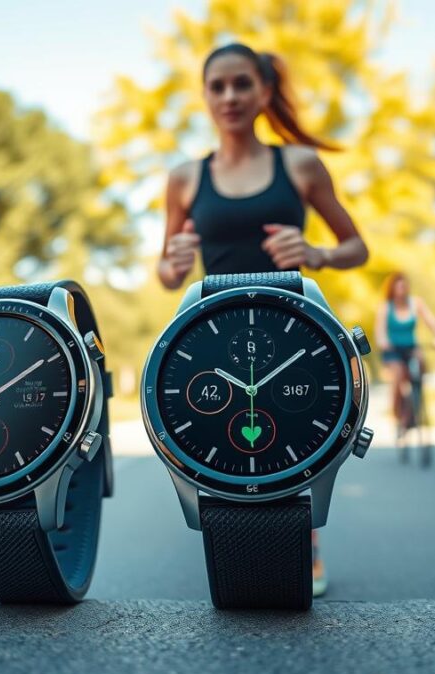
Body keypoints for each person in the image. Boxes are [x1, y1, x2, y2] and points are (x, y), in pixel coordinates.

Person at [158, 43, 369, 596]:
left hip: (294, 327)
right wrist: (172, 262)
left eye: (241, 84)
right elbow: (165, 271)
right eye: (218, 86)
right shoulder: (184, 178)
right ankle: (234, 540)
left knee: (299, 438)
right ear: (204, 95)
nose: (229, 96)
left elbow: (357, 247)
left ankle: (303, 540)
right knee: (223, 438)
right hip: (214, 333)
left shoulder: (298, 164)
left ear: (264, 92)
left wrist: (317, 253)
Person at [374, 273, 435, 433]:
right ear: (392, 288)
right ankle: (398, 414)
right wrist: (383, 341)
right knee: (398, 375)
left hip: (411, 347)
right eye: (398, 286)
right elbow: (380, 331)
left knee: (420, 362)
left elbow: (432, 322)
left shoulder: (416, 303)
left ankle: (416, 403)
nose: (402, 289)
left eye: (404, 285)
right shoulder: (386, 307)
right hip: (392, 350)